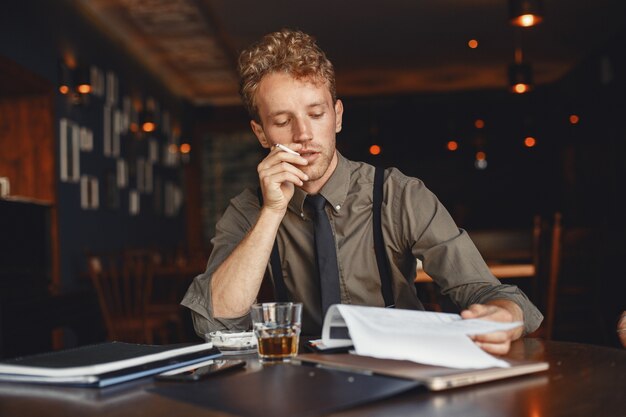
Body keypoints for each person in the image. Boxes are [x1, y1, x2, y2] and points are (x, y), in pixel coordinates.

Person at [182, 28, 543, 355]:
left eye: (316, 114)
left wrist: (502, 315)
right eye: (281, 121)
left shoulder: (400, 196)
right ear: (261, 133)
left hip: (400, 372)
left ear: (337, 116)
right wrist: (273, 212)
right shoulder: (249, 209)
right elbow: (215, 321)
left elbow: (489, 293)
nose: (303, 133)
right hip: (301, 386)